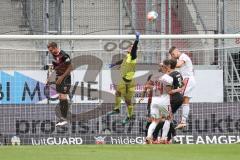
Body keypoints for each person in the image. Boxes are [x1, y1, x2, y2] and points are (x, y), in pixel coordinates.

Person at [108, 32, 140, 125]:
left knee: (128, 101)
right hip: (123, 80)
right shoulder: (128, 56)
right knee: (117, 93)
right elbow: (122, 60)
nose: (129, 47)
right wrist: (114, 64)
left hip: (129, 82)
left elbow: (134, 50)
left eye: (131, 47)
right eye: (130, 46)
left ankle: (130, 116)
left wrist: (136, 40)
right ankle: (116, 109)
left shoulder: (133, 56)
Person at [152, 59, 184, 143]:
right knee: (167, 118)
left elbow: (168, 89)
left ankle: (159, 138)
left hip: (172, 98)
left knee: (165, 118)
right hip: (180, 97)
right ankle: (168, 138)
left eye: (164, 66)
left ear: (168, 66)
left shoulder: (169, 76)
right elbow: (182, 85)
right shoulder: (178, 73)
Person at [145, 59, 173, 144]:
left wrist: (154, 88)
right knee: (168, 118)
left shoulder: (154, 76)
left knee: (154, 120)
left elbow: (147, 86)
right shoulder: (169, 78)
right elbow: (168, 91)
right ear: (166, 69)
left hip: (154, 101)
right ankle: (164, 138)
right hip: (164, 100)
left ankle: (149, 137)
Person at [169, 46, 196, 129]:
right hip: (189, 80)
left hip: (187, 80)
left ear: (177, 51)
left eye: (173, 54)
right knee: (185, 100)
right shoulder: (181, 58)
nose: (173, 56)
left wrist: (168, 65)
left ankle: (169, 115)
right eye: (171, 55)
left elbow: (179, 64)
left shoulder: (183, 56)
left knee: (177, 97)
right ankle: (183, 121)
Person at [47, 42, 73, 127]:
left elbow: (70, 67)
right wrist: (50, 78)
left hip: (65, 78)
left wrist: (61, 77)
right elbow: (56, 68)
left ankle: (64, 119)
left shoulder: (64, 55)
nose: (50, 52)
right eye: (49, 50)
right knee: (60, 97)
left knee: (63, 96)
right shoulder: (54, 57)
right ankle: (62, 118)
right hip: (58, 77)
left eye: (51, 50)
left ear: (55, 48)